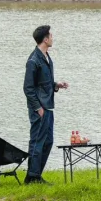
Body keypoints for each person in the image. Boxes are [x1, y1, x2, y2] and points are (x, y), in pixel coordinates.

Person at [23, 25, 68, 184]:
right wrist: (37, 108)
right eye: (51, 35)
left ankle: (36, 175)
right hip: (39, 109)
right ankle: (32, 177)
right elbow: (28, 88)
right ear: (45, 39)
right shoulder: (33, 60)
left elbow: (43, 83)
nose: (52, 38)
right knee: (37, 141)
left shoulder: (46, 57)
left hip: (48, 106)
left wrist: (57, 85)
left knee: (48, 141)